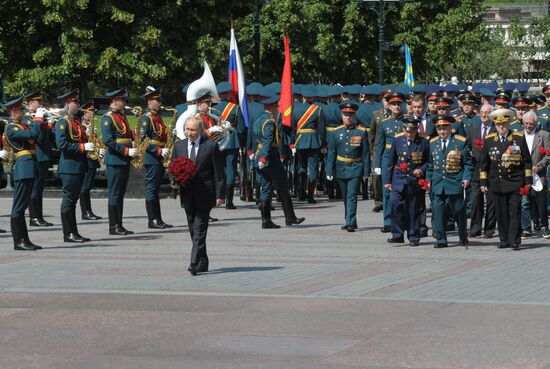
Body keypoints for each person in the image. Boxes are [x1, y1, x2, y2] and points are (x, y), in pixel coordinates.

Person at [172, 116, 225, 275]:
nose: (189, 133)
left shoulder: (210, 146)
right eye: (187, 129)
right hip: (187, 194)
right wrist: (176, 182)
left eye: (193, 130)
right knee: (193, 231)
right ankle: (203, 261)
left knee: (200, 229)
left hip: (205, 194)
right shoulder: (178, 146)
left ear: (200, 130)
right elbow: (173, 169)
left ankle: (194, 263)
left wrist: (220, 194)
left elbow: (219, 173)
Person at [480, 108, 532, 249]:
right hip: (497, 182)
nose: (501, 127)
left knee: (515, 211)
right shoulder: (489, 139)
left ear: (508, 123)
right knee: (501, 212)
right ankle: (504, 239)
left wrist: (528, 182)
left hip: (515, 181)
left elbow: (527, 161)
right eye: (498, 124)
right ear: (495, 125)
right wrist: (483, 182)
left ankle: (515, 240)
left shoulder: (518, 138)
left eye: (504, 123)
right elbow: (484, 163)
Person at [253, 95, 305, 229]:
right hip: (270, 158)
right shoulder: (270, 122)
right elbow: (267, 142)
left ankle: (266, 220)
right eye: (276, 106)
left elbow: (253, 138)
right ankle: (290, 217)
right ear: (270, 107)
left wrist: (255, 155)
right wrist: (264, 158)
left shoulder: (258, 120)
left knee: (266, 188)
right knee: (284, 185)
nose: (277, 109)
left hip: (258, 156)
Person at [55, 89, 94, 242]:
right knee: (69, 200)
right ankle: (68, 233)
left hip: (79, 165)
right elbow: (62, 144)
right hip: (70, 166)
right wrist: (83, 147)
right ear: (67, 104)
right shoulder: (63, 122)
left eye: (78, 102)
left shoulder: (75, 121)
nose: (78, 104)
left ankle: (73, 232)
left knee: (73, 201)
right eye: (75, 102)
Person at [427, 115, 472, 248]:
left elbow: (468, 163)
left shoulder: (460, 142)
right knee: (438, 212)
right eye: (439, 128)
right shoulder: (432, 143)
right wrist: (428, 179)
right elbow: (431, 164)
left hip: (454, 182)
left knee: (458, 211)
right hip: (438, 183)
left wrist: (466, 177)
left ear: (450, 128)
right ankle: (441, 240)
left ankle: (463, 236)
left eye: (445, 128)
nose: (442, 131)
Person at [4, 97, 42, 250]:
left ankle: (24, 240)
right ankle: (19, 241)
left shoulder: (22, 125)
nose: (24, 112)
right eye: (21, 110)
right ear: (13, 112)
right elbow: (31, 135)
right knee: (19, 207)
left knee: (23, 205)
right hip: (23, 167)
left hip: (30, 165)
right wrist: (38, 118)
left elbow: (37, 134)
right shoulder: (12, 128)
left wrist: (39, 121)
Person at [384, 118, 429, 246]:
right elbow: (390, 161)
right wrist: (387, 180)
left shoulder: (423, 142)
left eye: (412, 131)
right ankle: (397, 234)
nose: (409, 133)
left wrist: (421, 169)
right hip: (399, 178)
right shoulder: (398, 140)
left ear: (417, 130)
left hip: (414, 180)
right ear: (403, 130)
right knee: (395, 204)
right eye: (407, 131)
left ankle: (413, 236)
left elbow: (429, 161)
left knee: (413, 209)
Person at [326, 102, 370, 232]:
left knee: (352, 196)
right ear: (342, 115)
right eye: (346, 114)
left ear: (354, 115)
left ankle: (350, 222)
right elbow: (331, 153)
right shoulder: (335, 132)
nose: (348, 117)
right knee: (345, 196)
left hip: (355, 167)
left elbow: (365, 153)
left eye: (350, 114)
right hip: (341, 167)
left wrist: (366, 171)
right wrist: (329, 169)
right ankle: (350, 220)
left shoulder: (361, 132)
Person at [100, 88, 138, 235]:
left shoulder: (121, 117)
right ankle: (113, 226)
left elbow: (126, 135)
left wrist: (135, 135)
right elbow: (108, 140)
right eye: (122, 100)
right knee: (114, 194)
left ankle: (119, 224)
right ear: (114, 101)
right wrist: (126, 151)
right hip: (115, 160)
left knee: (120, 193)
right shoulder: (107, 118)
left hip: (123, 160)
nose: (124, 103)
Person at [140, 87, 172, 229]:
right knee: (151, 189)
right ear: (149, 102)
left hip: (158, 157)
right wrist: (159, 150)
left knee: (155, 189)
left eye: (159, 100)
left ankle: (158, 219)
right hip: (151, 157)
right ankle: (152, 220)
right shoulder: (146, 118)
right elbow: (143, 140)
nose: (159, 103)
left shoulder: (157, 117)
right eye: (157, 101)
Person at [213, 81, 246, 209]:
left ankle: (218, 198)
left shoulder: (213, 109)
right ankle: (229, 202)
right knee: (231, 170)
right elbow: (242, 128)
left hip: (218, 140)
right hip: (232, 141)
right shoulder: (235, 108)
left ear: (219, 95)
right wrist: (241, 142)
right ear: (228, 94)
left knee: (218, 169)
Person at [375, 91, 404, 233]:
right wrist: (376, 165)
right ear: (389, 106)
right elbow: (379, 145)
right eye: (393, 104)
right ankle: (387, 221)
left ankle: (401, 220)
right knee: (387, 192)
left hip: (402, 159)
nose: (396, 106)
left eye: (398, 103)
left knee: (403, 191)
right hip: (387, 160)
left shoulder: (407, 122)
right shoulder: (384, 123)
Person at [24, 91, 54, 227]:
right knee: (35, 188)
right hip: (35, 155)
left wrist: (50, 125)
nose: (42, 105)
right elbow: (38, 138)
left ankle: (39, 217)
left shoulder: (38, 117)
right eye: (39, 102)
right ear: (31, 103)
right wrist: (42, 122)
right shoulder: (27, 119)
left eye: (42, 102)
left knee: (39, 188)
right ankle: (34, 218)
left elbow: (49, 137)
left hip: (43, 155)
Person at [291, 85, 326, 203]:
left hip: (300, 140)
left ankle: (301, 193)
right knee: (313, 168)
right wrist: (323, 143)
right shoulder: (318, 110)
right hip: (313, 141)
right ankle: (310, 196)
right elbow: (321, 130)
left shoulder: (295, 109)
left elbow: (293, 128)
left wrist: (292, 142)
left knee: (301, 167)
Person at [519, 110, 550, 238]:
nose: (528, 126)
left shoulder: (544, 135)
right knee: (524, 201)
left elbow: (548, 155)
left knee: (541, 201)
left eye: (531, 124)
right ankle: (526, 228)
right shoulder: (518, 135)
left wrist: (539, 166)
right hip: (523, 174)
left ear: (536, 123)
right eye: (525, 123)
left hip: (539, 174)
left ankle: (544, 226)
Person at [468, 104, 497, 238]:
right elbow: (468, 147)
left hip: (491, 170)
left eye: (487, 112)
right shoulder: (473, 129)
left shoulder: (496, 129)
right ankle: (475, 228)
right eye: (482, 112)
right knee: (475, 199)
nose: (484, 115)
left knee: (491, 201)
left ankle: (489, 229)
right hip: (476, 170)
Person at [79, 100, 105, 220]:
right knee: (84, 186)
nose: (94, 113)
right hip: (86, 159)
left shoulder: (91, 126)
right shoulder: (81, 126)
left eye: (94, 111)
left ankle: (88, 211)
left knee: (88, 186)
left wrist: (100, 149)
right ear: (85, 114)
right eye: (91, 111)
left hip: (92, 159)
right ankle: (85, 212)